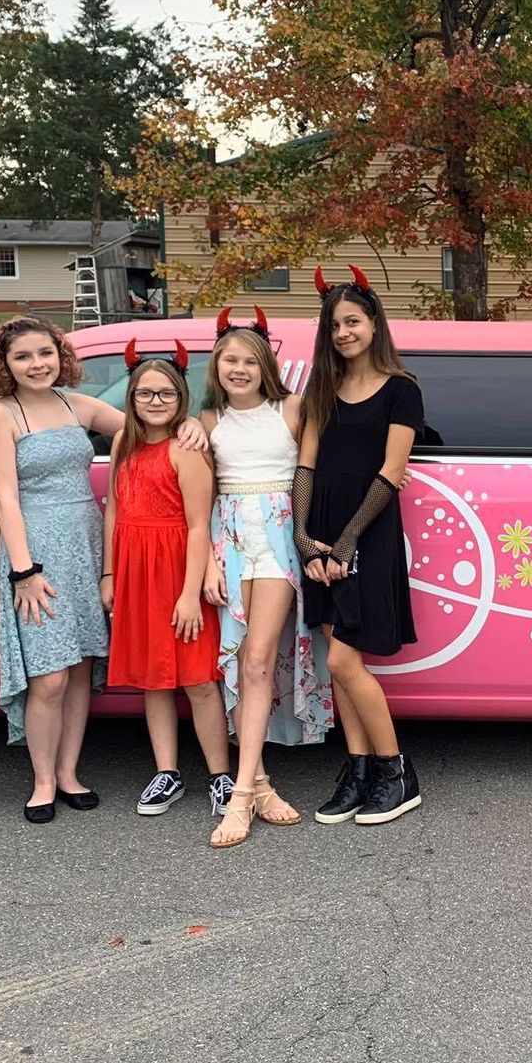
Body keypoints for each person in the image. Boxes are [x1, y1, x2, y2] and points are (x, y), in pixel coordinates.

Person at [0, 315, 207, 823]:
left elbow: (146, 423)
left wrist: (192, 423)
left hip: (86, 544)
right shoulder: (0, 414)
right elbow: (5, 497)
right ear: (6, 364)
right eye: (23, 356)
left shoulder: (75, 404)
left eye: (45, 353)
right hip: (35, 551)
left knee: (80, 667)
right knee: (49, 678)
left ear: (61, 355)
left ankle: (68, 774)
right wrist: (23, 571)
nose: (37, 364)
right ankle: (40, 782)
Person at [296, 267, 424, 826]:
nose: (343, 332)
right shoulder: (321, 389)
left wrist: (345, 543)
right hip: (320, 529)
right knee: (334, 655)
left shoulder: (403, 389)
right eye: (334, 325)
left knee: (347, 656)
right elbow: (305, 464)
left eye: (353, 321)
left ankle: (398, 772)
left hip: (365, 529)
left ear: (374, 323)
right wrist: (304, 538)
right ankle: (358, 770)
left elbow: (392, 472)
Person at [201, 306, 331, 847]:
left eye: (250, 360)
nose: (239, 368)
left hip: (278, 537)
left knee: (256, 660)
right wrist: (208, 559)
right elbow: (203, 494)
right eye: (230, 359)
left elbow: (317, 469)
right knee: (236, 664)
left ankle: (239, 799)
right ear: (216, 364)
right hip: (229, 538)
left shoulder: (293, 409)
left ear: (266, 365)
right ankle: (259, 785)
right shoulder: (206, 422)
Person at [103, 344, 238, 828]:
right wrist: (109, 573)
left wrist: (188, 593)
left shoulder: (187, 448)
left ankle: (220, 775)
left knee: (198, 678)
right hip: (135, 571)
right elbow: (115, 512)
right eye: (145, 392)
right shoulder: (123, 443)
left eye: (165, 393)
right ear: (132, 396)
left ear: (180, 396)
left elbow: (199, 525)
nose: (155, 400)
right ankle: (167, 771)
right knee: (152, 679)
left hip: (177, 570)